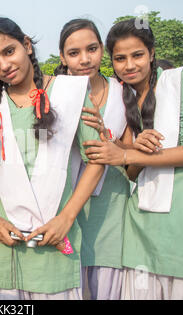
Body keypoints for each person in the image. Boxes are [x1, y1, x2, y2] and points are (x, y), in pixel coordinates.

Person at [0, 17, 105, 300]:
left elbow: (97, 159)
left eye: (9, 51)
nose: (4, 65)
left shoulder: (69, 92)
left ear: (26, 45)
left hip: (53, 235)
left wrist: (66, 218)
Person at [83, 18, 183, 300]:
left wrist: (125, 153)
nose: (129, 65)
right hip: (141, 220)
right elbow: (132, 173)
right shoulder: (127, 97)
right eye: (120, 58)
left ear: (152, 53)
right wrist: (130, 151)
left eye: (137, 55)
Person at [55, 19, 129, 300]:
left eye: (92, 49)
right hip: (65, 205)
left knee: (107, 283)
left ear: (102, 50)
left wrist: (110, 141)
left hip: (112, 205)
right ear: (62, 57)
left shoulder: (125, 93)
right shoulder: (53, 95)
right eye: (74, 53)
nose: (85, 59)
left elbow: (131, 151)